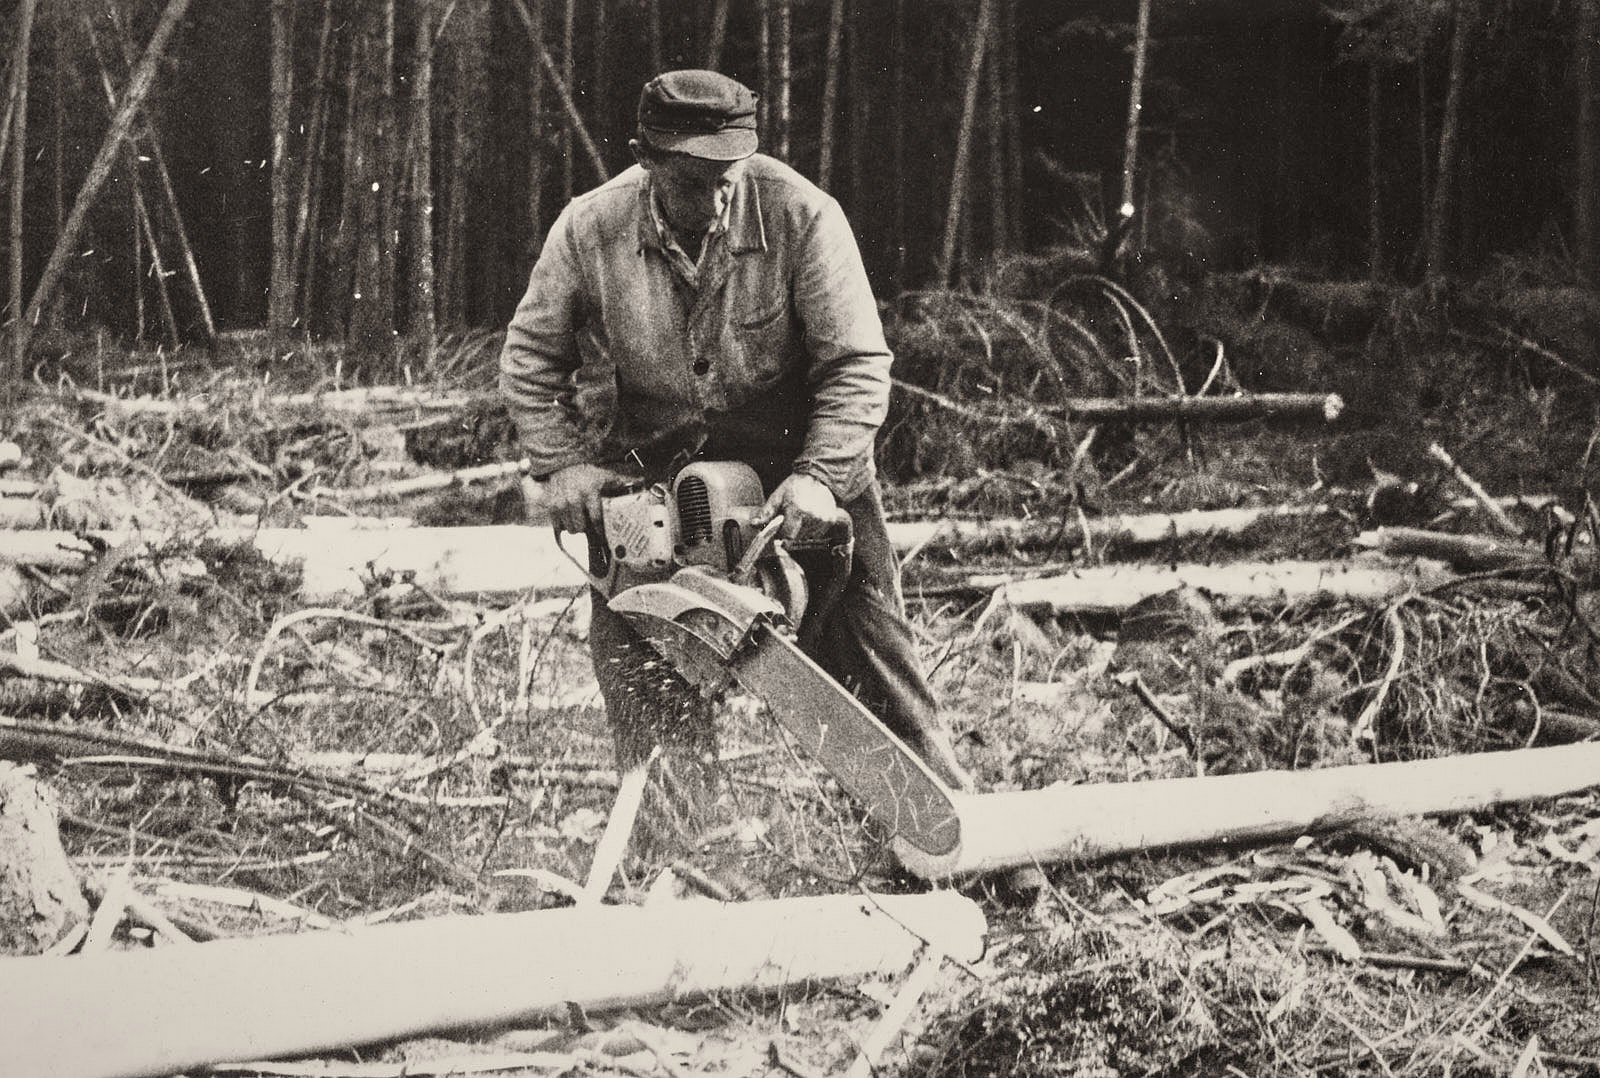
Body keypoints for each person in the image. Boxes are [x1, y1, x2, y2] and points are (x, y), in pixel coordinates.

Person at [500, 69, 971, 851]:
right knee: (647, 680)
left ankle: (954, 846)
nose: (718, 197)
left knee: (874, 670)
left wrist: (820, 480)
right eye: (695, 180)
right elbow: (527, 356)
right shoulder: (591, 229)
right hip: (656, 476)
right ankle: (674, 867)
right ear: (646, 161)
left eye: (729, 175)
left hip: (797, 470)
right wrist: (561, 464)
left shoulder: (800, 215)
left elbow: (856, 363)